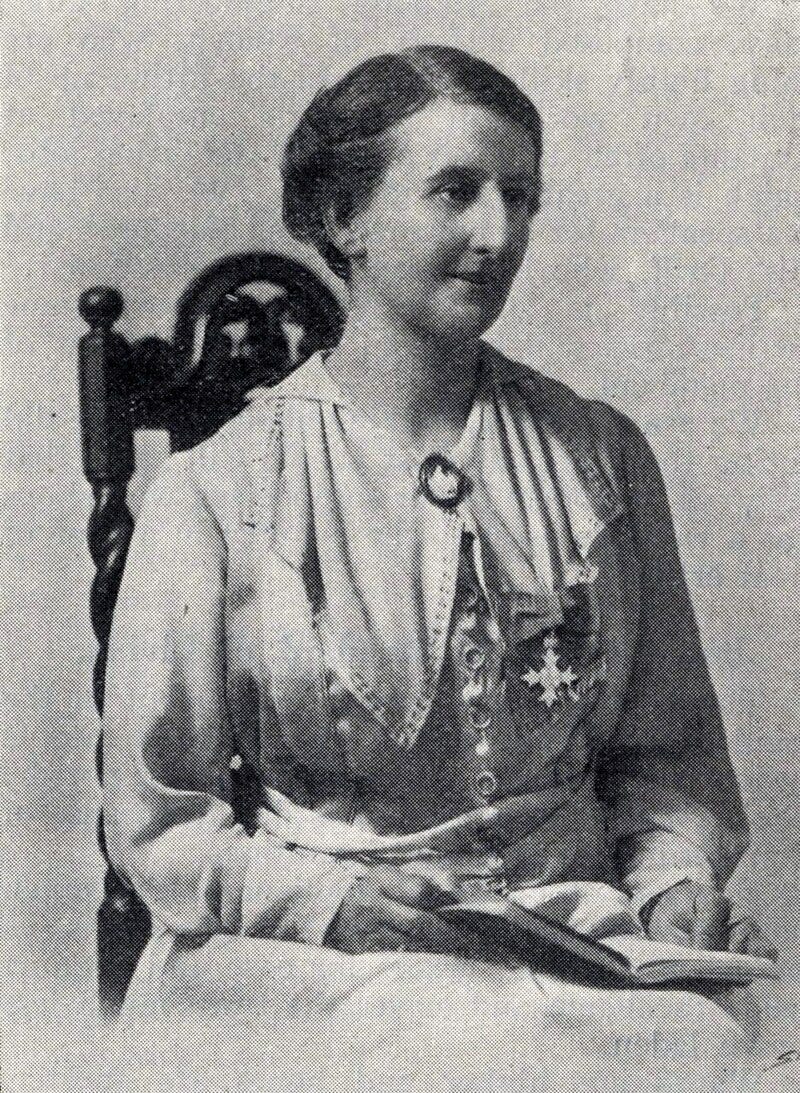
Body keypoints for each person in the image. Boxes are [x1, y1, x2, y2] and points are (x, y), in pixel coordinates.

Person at [102, 44, 783, 1093]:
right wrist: (331, 905)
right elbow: (161, 820)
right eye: (455, 192)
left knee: (726, 1042)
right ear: (345, 218)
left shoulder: (597, 457)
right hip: (322, 957)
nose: (497, 234)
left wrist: (668, 886)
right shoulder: (221, 491)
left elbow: (665, 758)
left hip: (573, 938)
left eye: (519, 196)